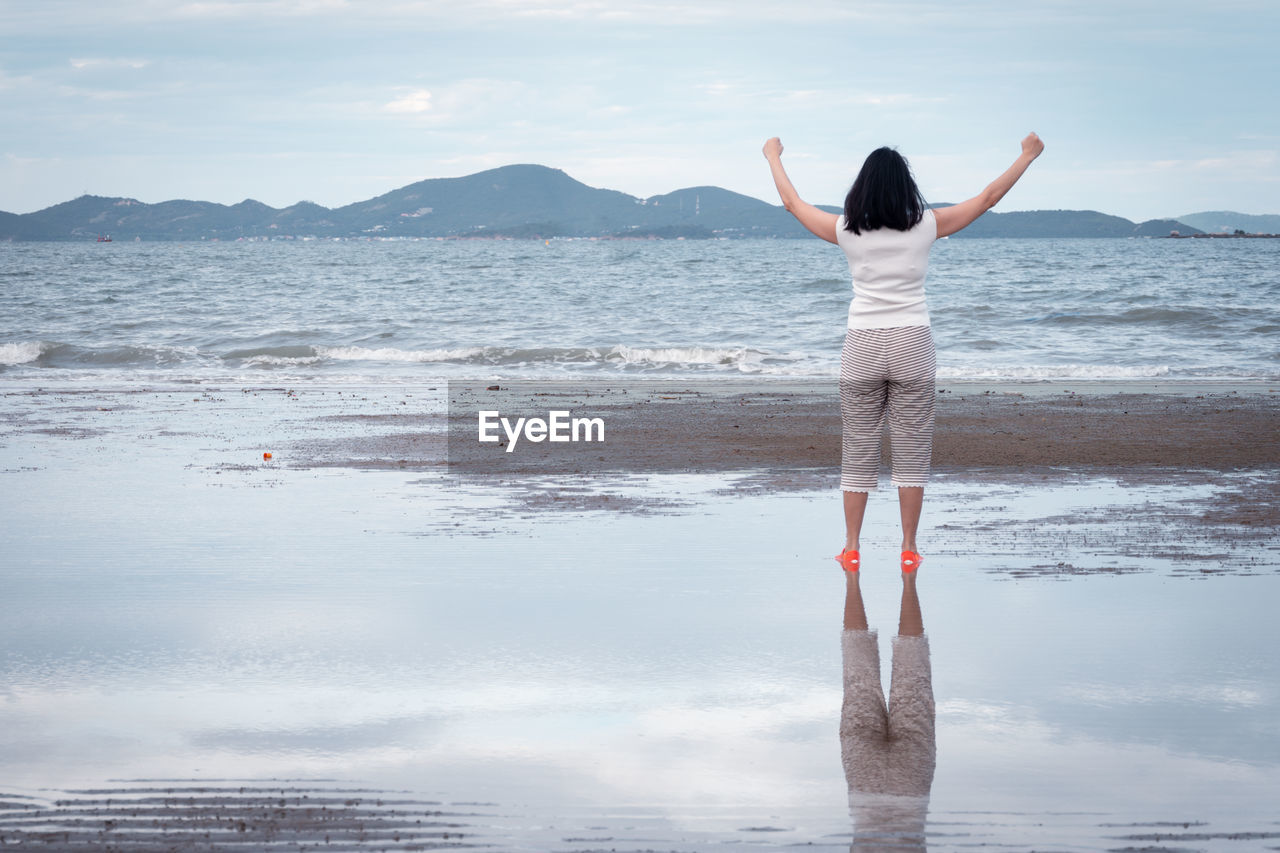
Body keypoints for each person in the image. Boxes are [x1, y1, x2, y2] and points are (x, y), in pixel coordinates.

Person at [763, 133, 1044, 571]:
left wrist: (772, 157)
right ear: (905, 186)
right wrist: (1026, 156)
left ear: (862, 187)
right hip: (913, 341)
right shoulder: (927, 225)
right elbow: (988, 197)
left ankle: (852, 548)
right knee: (912, 448)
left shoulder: (845, 229)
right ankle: (909, 548)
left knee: (858, 447)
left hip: (863, 344)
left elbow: (794, 203)